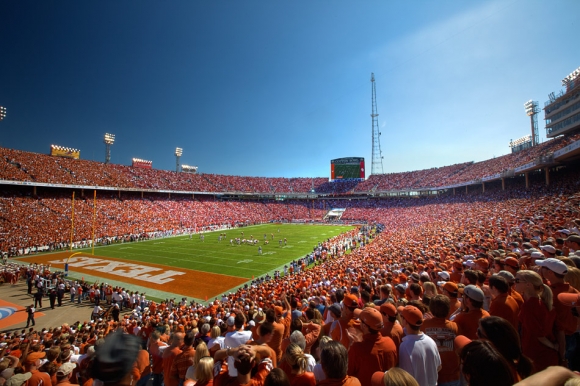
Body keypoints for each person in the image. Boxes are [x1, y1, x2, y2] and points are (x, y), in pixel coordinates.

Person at [515, 269, 559, 372]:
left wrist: (553, 346)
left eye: (517, 280)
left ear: (528, 285)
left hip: (537, 356)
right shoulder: (541, 302)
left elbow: (538, 334)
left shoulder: (529, 306)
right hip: (545, 355)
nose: (514, 283)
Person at [347, 307, 397, 386]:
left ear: (364, 326)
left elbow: (347, 372)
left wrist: (351, 345)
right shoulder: (390, 342)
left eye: (360, 321)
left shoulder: (357, 349)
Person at [477, 316, 533, 382]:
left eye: (479, 333)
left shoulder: (499, 375)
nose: (476, 335)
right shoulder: (508, 367)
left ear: (495, 343)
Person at [420, 295, 459, 386]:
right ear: (448, 309)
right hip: (452, 375)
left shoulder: (423, 325)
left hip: (431, 376)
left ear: (431, 309)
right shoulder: (455, 327)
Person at [398, 305, 441, 386]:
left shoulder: (404, 346)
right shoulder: (431, 341)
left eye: (402, 317)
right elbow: (439, 367)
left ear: (405, 321)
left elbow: (405, 377)